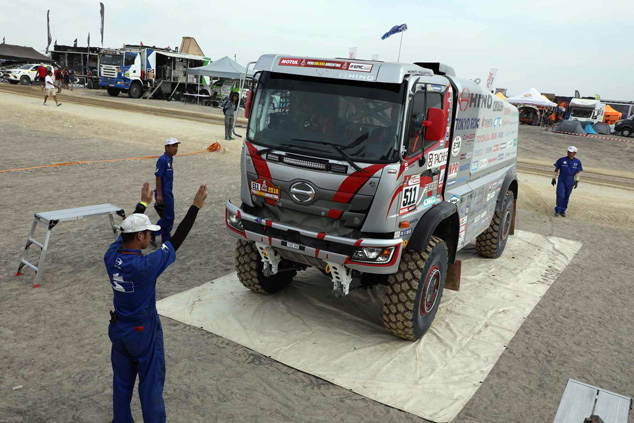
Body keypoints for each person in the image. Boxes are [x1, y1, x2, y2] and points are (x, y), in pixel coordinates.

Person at [104, 182, 207, 423]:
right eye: (149, 233)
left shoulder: (111, 257)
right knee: (150, 387)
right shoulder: (144, 267)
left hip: (119, 331)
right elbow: (176, 241)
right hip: (143, 333)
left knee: (121, 384)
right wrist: (194, 208)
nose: (152, 236)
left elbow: (124, 233)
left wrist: (142, 205)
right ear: (140, 236)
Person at [152, 138, 180, 247]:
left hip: (168, 192)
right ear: (166, 147)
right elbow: (158, 177)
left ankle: (166, 237)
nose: (176, 148)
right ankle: (152, 233)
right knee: (169, 217)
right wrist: (159, 194)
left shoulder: (169, 159)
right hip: (163, 193)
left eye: (176, 146)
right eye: (173, 146)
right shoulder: (163, 160)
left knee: (167, 217)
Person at [552, 146, 583, 217]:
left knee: (566, 195)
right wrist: (554, 178)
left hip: (570, 180)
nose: (569, 153)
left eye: (571, 152)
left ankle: (563, 210)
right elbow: (556, 169)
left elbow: (577, 172)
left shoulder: (577, 162)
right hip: (562, 179)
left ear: (574, 153)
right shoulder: (561, 160)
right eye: (568, 151)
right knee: (560, 194)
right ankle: (558, 209)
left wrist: (577, 180)